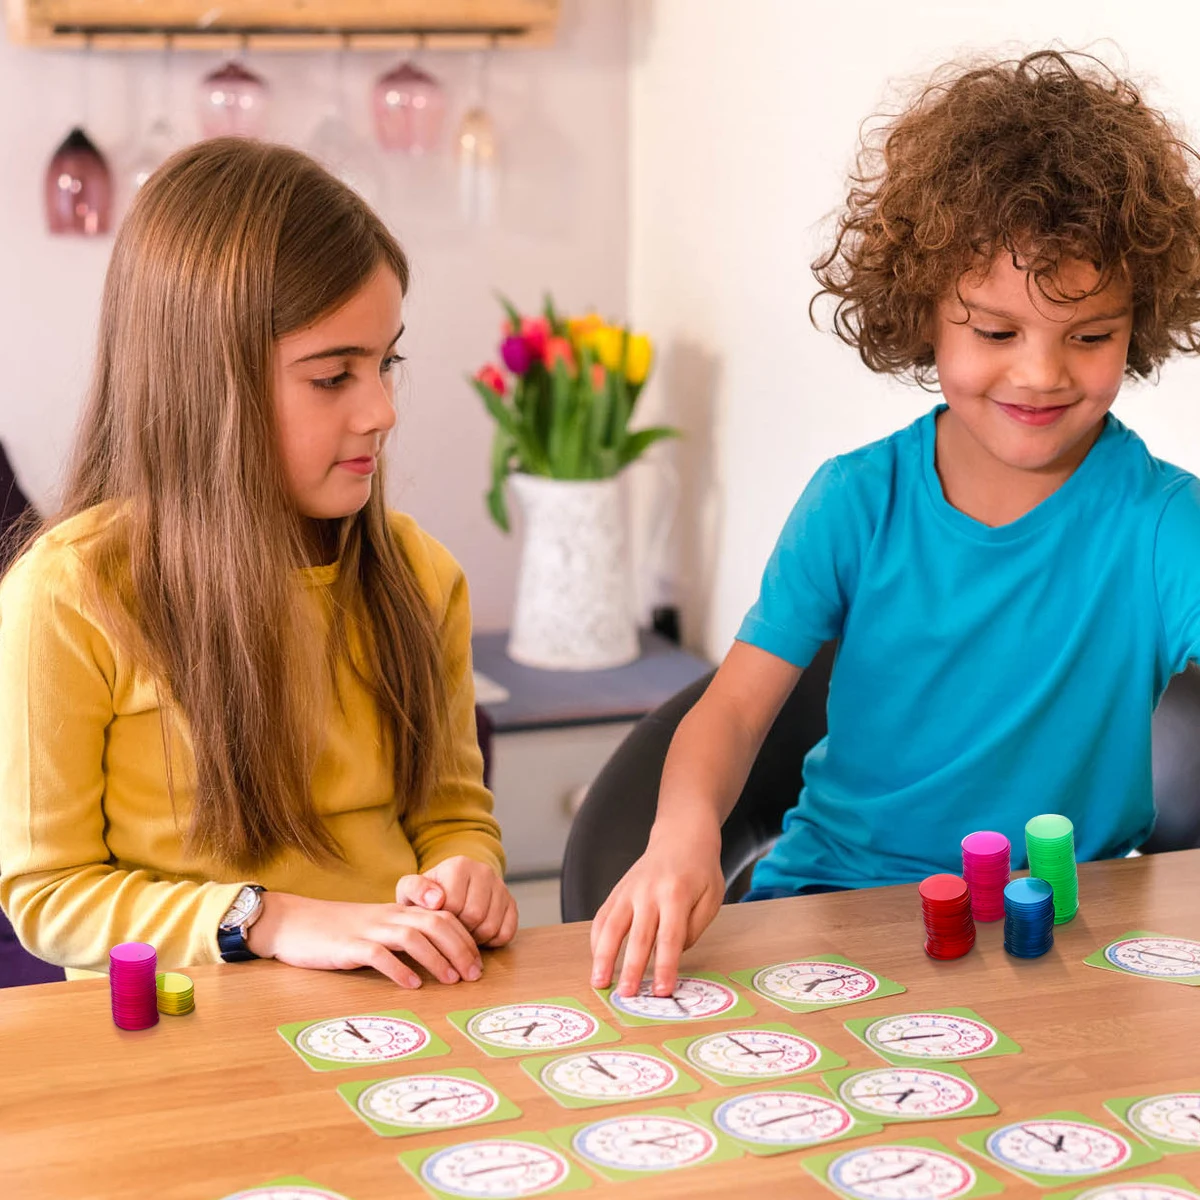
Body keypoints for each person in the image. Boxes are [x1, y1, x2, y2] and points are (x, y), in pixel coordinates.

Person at [591, 49, 1200, 999]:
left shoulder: (1164, 526)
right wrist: (682, 836)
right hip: (832, 909)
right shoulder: (855, 500)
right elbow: (736, 709)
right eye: (995, 332)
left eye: (1090, 336)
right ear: (925, 313)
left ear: (1138, 323)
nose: (1041, 374)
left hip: (1050, 947)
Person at [0, 139, 517, 985]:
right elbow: (50, 897)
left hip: (399, 1013)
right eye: (333, 377)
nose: (382, 410)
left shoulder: (422, 576)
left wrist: (468, 872)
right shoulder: (66, 595)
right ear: (207, 385)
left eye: (385, 362)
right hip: (186, 1030)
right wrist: (268, 919)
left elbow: (453, 815)